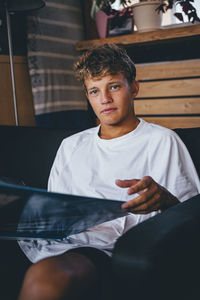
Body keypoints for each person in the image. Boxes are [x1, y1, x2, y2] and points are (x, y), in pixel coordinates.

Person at [18, 43, 200, 300]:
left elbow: (191, 219)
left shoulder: (162, 141)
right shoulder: (71, 146)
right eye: (94, 91)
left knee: (45, 278)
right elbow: (56, 211)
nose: (104, 99)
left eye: (113, 86)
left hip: (109, 248)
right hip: (62, 242)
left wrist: (166, 199)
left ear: (134, 88)